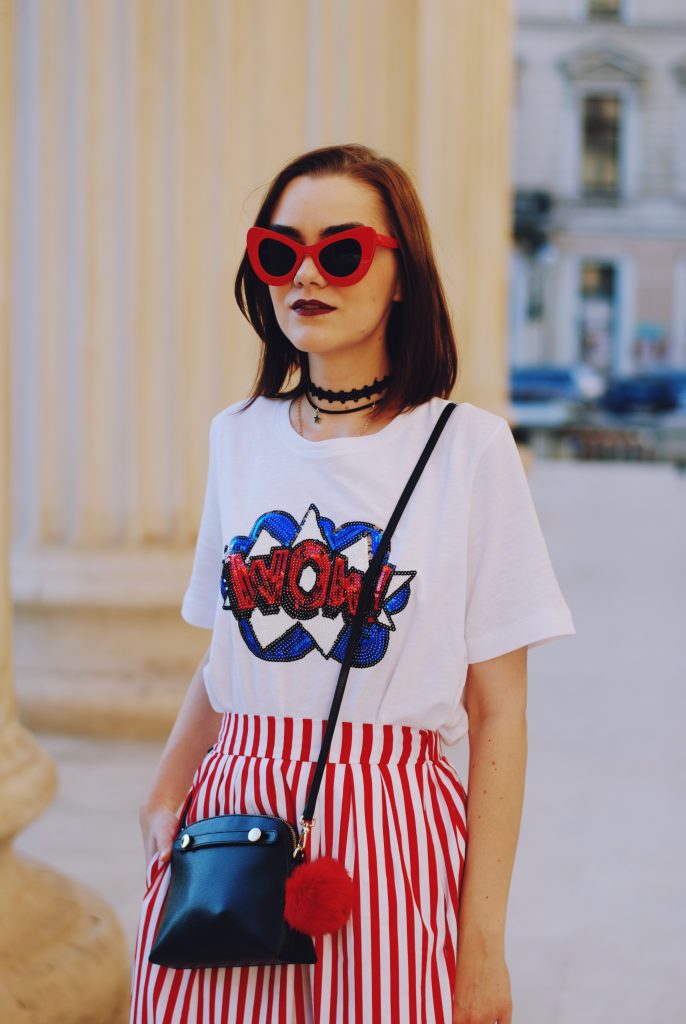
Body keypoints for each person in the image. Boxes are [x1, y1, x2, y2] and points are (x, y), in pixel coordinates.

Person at [129, 143, 576, 1024]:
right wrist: (162, 792)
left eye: (341, 252)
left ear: (401, 274)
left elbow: (500, 710)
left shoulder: (468, 451)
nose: (307, 274)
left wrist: (480, 940)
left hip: (394, 825)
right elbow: (225, 656)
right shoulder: (240, 436)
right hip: (233, 822)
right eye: (279, 251)